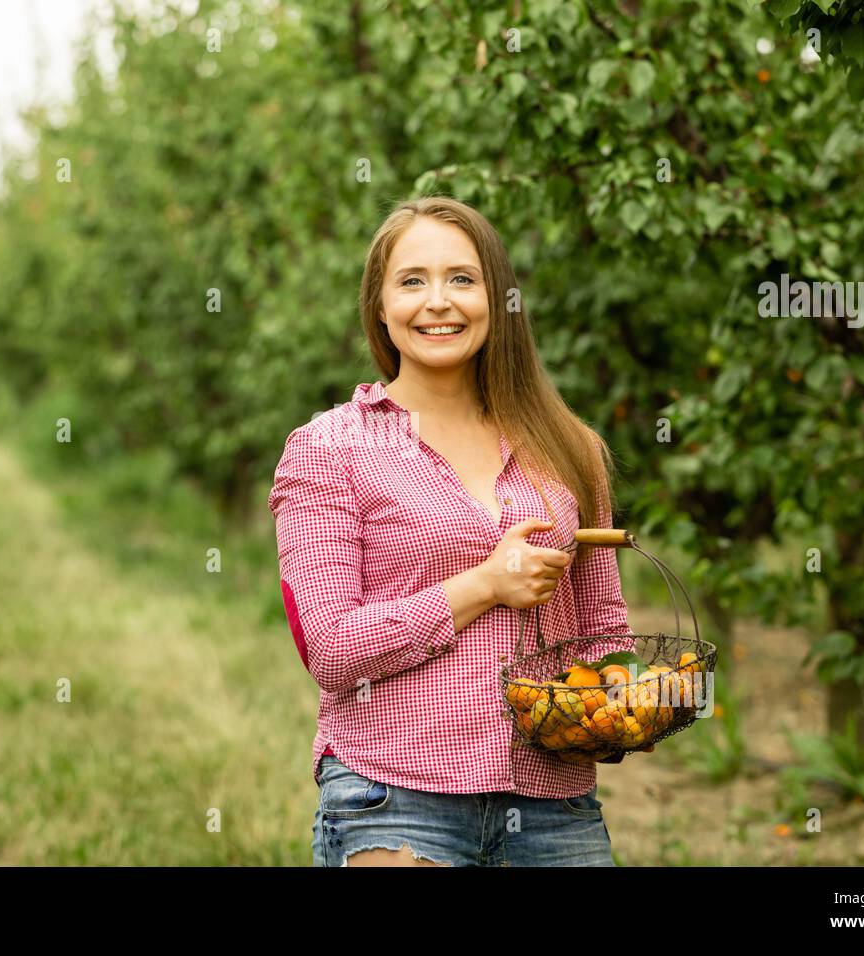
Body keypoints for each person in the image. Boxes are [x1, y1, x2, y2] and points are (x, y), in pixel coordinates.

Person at [267, 196, 649, 867]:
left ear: (498, 301)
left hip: (555, 805)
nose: (437, 301)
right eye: (412, 281)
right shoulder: (331, 448)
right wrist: (484, 585)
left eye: (462, 280)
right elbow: (330, 649)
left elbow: (604, 628)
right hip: (397, 797)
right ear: (380, 308)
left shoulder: (570, 448)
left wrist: (622, 702)